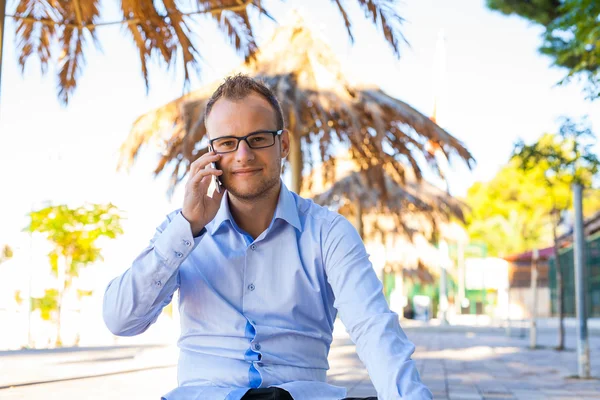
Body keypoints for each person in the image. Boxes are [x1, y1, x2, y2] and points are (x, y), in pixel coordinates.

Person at [103, 74, 432, 400]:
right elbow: (120, 320)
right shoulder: (179, 233)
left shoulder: (328, 233)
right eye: (228, 143)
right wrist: (188, 227)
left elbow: (373, 328)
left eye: (258, 138)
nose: (243, 155)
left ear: (283, 144)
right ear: (211, 151)